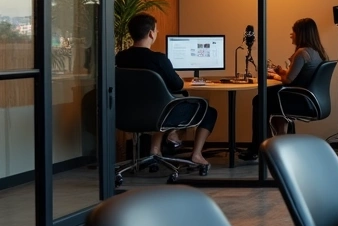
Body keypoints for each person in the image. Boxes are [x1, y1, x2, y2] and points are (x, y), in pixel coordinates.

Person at [115, 13, 218, 174]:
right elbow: (177, 85)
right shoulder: (158, 59)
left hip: (127, 116)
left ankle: (155, 151)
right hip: (158, 115)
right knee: (209, 111)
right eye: (156, 30)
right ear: (150, 33)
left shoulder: (119, 58)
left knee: (158, 104)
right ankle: (196, 155)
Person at [239, 18, 327, 160]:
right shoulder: (317, 52)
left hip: (299, 101)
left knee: (260, 100)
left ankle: (260, 146)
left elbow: (288, 80)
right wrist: (279, 72)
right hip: (309, 99)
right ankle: (276, 142)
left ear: (301, 33)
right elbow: (296, 76)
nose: (291, 34)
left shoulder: (302, 53)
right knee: (269, 97)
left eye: (294, 31)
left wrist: (275, 76)